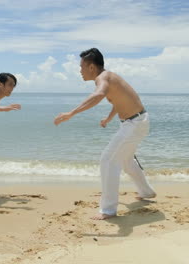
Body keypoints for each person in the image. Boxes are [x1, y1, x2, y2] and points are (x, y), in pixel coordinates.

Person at [54, 48, 156, 220]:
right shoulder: (110, 77)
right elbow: (119, 100)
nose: (80, 71)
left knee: (108, 160)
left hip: (134, 123)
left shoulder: (102, 79)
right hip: (137, 121)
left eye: (82, 67)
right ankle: (146, 192)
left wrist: (71, 113)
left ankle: (108, 210)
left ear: (91, 67)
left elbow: (99, 95)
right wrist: (109, 119)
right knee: (126, 160)